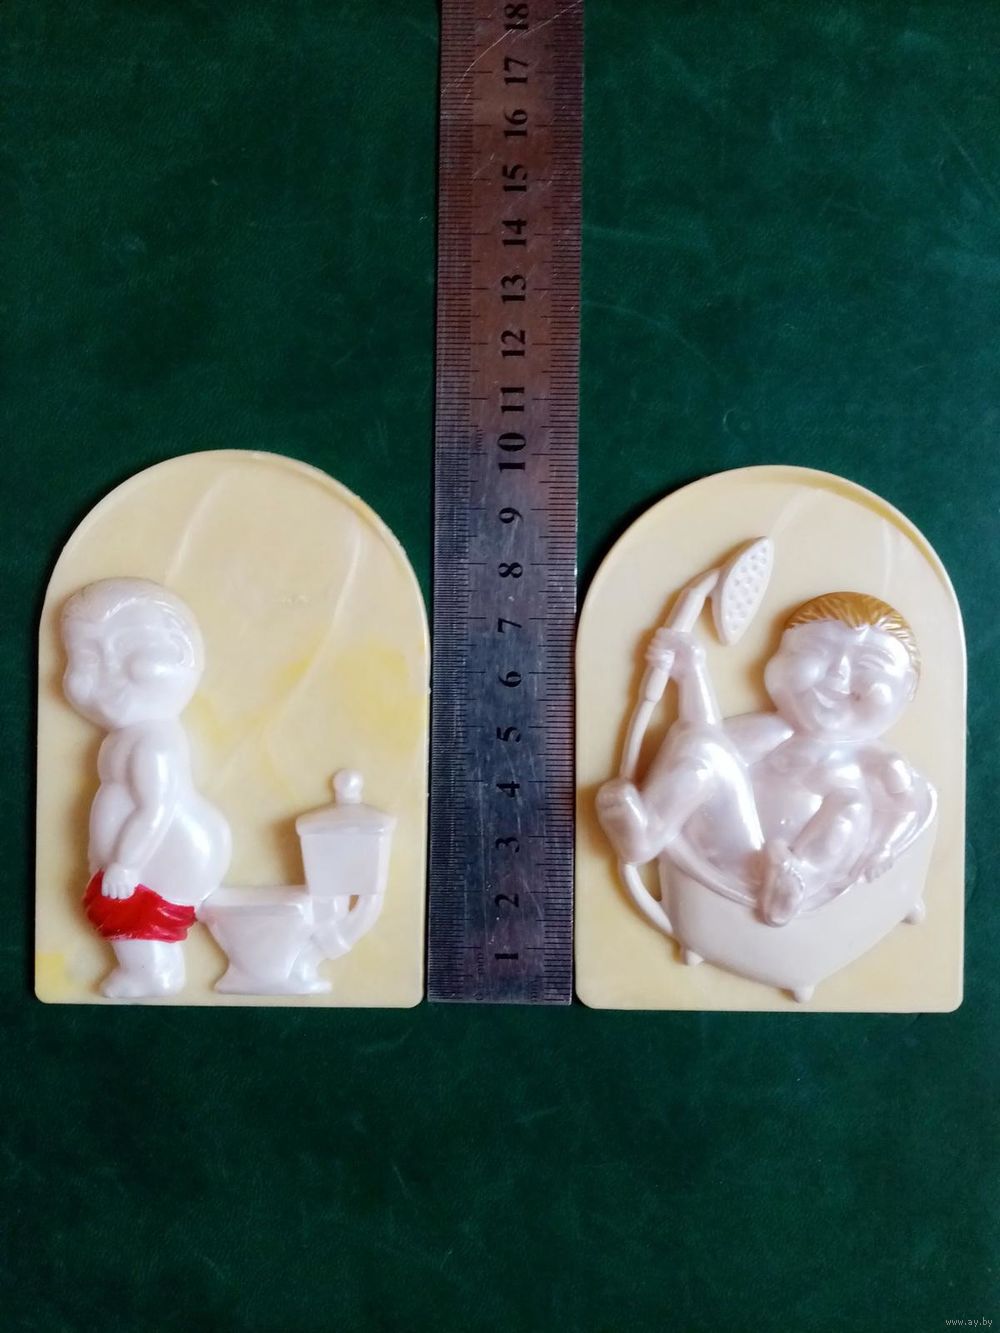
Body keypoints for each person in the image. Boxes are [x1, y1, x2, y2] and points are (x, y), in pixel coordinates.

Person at [596, 593, 935, 925]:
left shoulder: (875, 762)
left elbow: (909, 807)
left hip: (798, 874)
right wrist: (691, 672)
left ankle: (796, 883)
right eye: (817, 652)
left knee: (853, 802)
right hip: (736, 849)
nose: (838, 675)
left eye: (868, 665)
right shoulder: (773, 731)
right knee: (704, 745)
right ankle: (648, 831)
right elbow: (706, 738)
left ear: (906, 688)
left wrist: (885, 848)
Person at [61, 578, 231, 997]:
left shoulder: (154, 740)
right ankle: (150, 969)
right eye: (87, 658)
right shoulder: (129, 735)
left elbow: (155, 808)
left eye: (130, 651)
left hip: (168, 854)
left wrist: (126, 863)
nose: (108, 675)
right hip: (141, 857)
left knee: (130, 914)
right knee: (121, 911)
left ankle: (154, 975)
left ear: (183, 656)